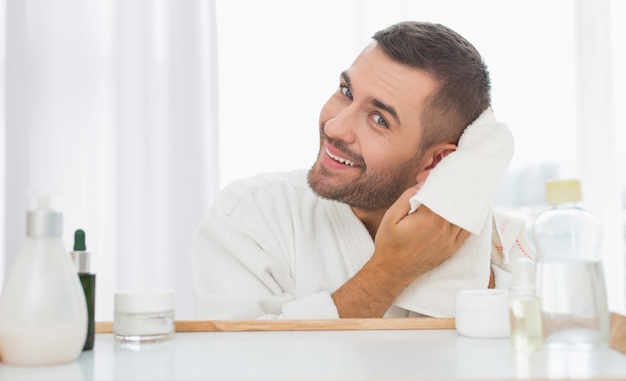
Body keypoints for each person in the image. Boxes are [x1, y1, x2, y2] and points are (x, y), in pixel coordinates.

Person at [191, 21, 524, 320]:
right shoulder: (250, 214)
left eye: (379, 119)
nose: (336, 127)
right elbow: (238, 364)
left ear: (436, 162)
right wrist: (389, 272)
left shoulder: (500, 253)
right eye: (346, 92)